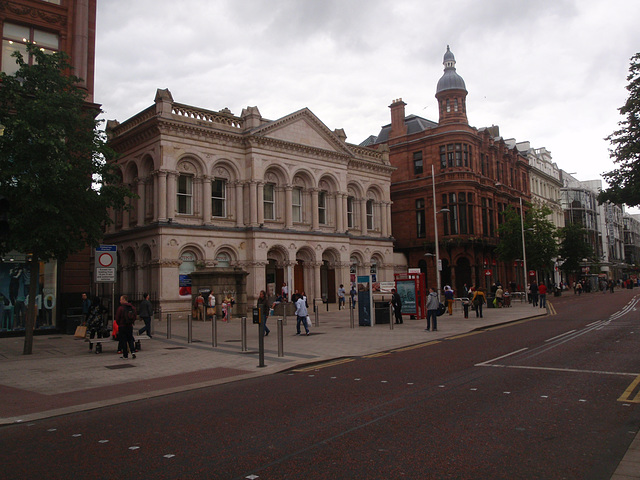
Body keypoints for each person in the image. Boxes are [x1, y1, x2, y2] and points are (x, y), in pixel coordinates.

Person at [115, 295, 136, 359]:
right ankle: (133, 352)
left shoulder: (120, 308)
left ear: (124, 300)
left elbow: (117, 318)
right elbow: (135, 316)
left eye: (121, 299)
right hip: (129, 326)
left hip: (122, 326)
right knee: (130, 339)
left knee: (124, 340)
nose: (120, 301)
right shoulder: (132, 307)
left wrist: (119, 324)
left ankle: (125, 355)